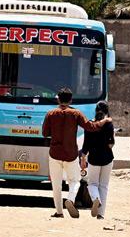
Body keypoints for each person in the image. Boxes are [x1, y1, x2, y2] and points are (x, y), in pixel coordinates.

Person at [41, 87, 102, 218]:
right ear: (71, 100)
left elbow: (45, 133)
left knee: (56, 184)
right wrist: (103, 122)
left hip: (55, 153)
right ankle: (70, 199)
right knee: (75, 181)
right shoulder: (76, 114)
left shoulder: (51, 114)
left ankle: (59, 212)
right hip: (71, 154)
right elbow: (90, 127)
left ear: (58, 98)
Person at [79, 101, 116, 219]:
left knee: (92, 184)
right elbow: (111, 144)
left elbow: (86, 145)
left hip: (94, 159)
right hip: (107, 158)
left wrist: (83, 157)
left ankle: (95, 199)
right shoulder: (109, 125)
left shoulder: (90, 125)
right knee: (104, 186)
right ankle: (101, 214)